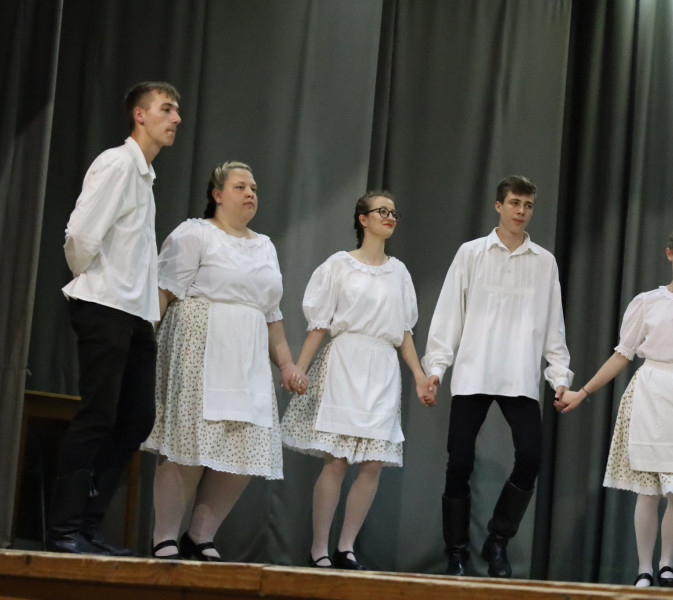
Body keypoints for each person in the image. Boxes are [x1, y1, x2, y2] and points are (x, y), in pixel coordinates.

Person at [556, 225, 673, 588]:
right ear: (670, 253)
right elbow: (622, 354)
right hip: (651, 393)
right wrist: (583, 392)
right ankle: (644, 569)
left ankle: (667, 564)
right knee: (649, 488)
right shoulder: (647, 302)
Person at [142, 161, 304, 561]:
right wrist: (141, 343)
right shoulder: (195, 233)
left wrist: (286, 365)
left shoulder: (264, 246)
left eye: (254, 188)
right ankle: (164, 537)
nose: (250, 193)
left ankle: (200, 536)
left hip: (248, 355)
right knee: (189, 442)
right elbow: (164, 293)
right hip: (200, 347)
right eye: (240, 187)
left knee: (243, 449)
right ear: (217, 195)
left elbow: (272, 314)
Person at [50, 81, 181, 555]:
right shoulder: (118, 163)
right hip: (105, 306)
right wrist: (94, 282)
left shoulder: (145, 177)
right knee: (98, 415)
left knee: (137, 418)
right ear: (139, 115)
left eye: (177, 111)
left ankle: (87, 522)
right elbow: (80, 236)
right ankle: (64, 529)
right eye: (166, 109)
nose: (176, 118)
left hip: (135, 315)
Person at [422, 175, 572, 579]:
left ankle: (498, 539)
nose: (521, 211)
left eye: (528, 205)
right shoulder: (471, 253)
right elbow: (449, 313)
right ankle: (456, 553)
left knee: (531, 457)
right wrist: (436, 368)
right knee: (459, 462)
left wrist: (558, 375)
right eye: (515, 203)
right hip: (474, 370)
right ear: (498, 205)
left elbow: (553, 325)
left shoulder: (544, 262)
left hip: (519, 374)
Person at [281, 191, 434, 570]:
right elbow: (319, 324)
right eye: (382, 211)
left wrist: (419, 375)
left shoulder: (399, 272)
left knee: (372, 463)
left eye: (394, 212)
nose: (390, 217)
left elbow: (404, 331)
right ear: (363, 219)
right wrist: (299, 367)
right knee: (337, 460)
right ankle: (319, 549)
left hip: (382, 368)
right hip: (346, 362)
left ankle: (346, 547)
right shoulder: (340, 265)